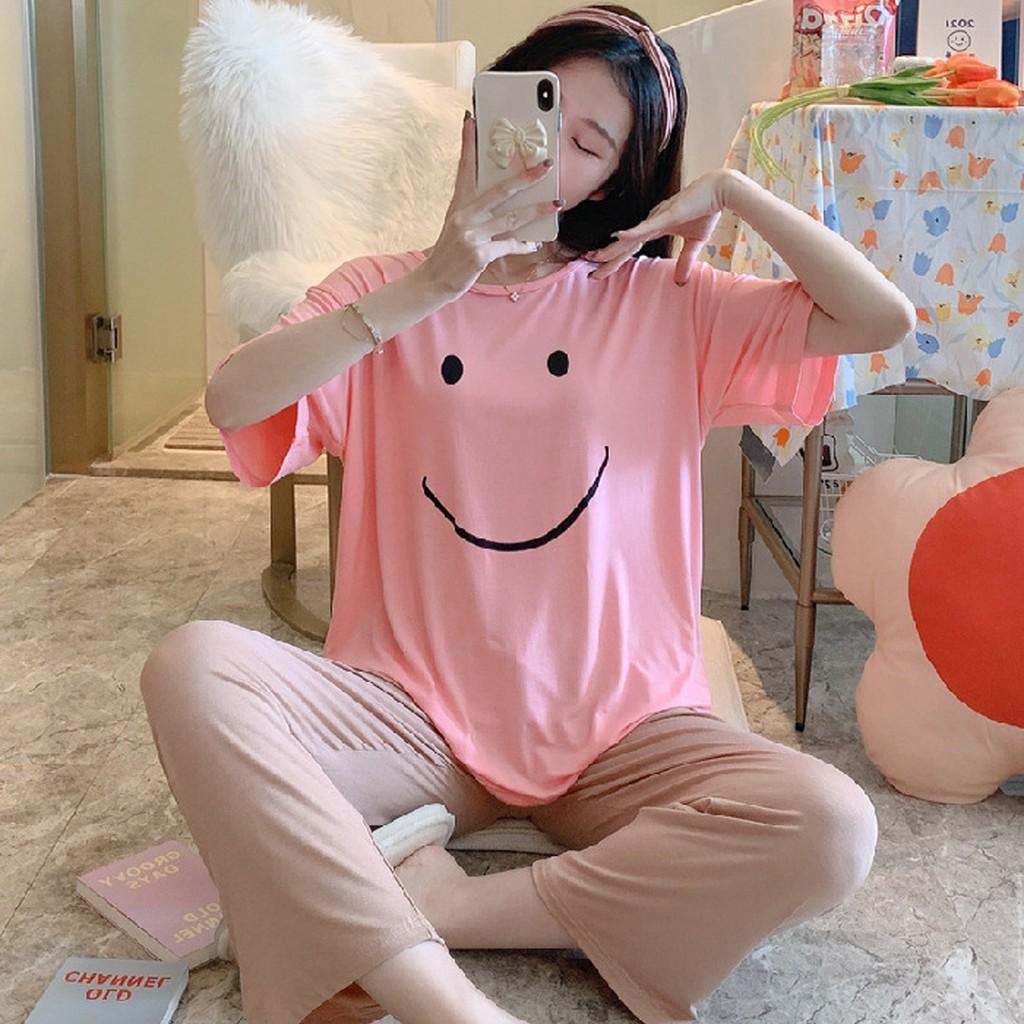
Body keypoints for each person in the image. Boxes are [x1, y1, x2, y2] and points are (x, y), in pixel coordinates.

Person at [140, 5, 914, 1023]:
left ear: (614, 184)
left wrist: (733, 194)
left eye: (589, 144)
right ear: (482, 117)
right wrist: (431, 284)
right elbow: (233, 401)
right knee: (191, 667)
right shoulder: (382, 292)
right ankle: (434, 997)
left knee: (829, 826)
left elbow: (880, 318)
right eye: (537, 116)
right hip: (408, 716)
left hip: (622, 728)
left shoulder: (661, 302)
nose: (549, 156)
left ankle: (448, 911)